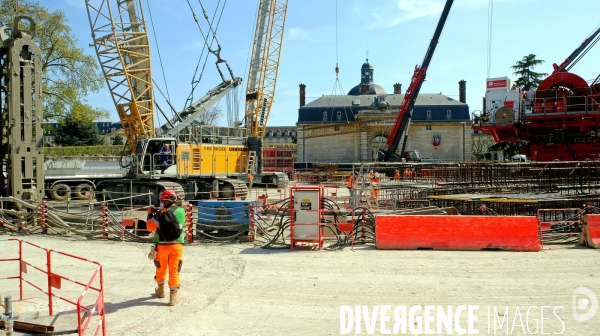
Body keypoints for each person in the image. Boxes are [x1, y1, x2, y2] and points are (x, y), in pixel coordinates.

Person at [146, 190, 186, 306]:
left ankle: (161, 290)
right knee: (174, 271)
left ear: (163, 201)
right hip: (176, 246)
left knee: (160, 269)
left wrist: (150, 213)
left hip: (161, 246)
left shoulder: (159, 215)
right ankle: (173, 297)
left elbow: (149, 227)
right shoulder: (181, 211)